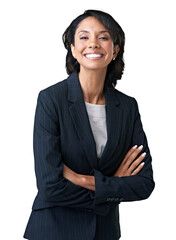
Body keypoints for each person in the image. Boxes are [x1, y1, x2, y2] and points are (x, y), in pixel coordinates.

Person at [23, 9, 155, 240]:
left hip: (104, 233)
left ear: (115, 50)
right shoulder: (51, 99)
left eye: (103, 37)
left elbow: (144, 184)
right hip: (54, 230)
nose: (93, 44)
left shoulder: (127, 107)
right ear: (73, 49)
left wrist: (83, 179)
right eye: (84, 37)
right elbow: (49, 187)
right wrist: (112, 185)